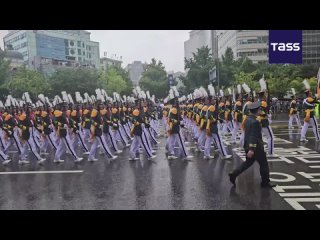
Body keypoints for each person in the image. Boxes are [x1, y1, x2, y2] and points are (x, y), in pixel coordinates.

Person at [228, 101, 276, 188]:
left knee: (248, 163)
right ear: (257, 111)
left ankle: (234, 174)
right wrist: (251, 149)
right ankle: (265, 182)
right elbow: (253, 136)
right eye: (259, 110)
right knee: (263, 163)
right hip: (255, 147)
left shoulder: (247, 119)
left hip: (247, 144)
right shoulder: (255, 122)